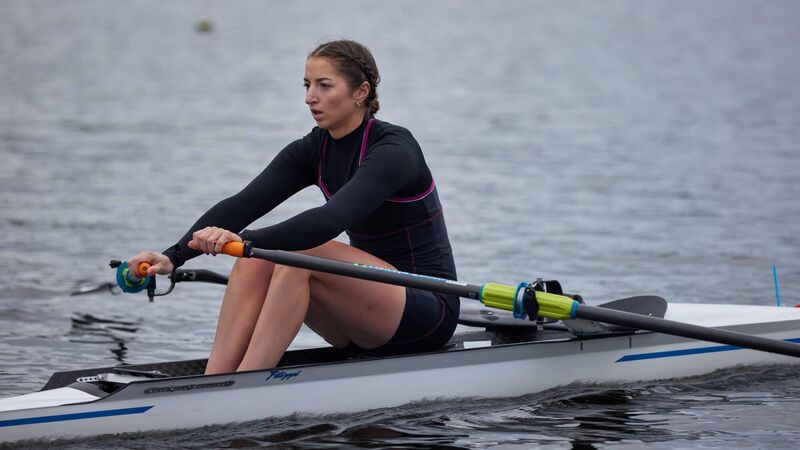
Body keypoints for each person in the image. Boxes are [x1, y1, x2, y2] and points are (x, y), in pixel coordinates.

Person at [127, 40, 459, 374]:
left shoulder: (394, 150)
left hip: (427, 309)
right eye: (307, 85)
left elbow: (329, 220)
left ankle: (245, 385)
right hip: (362, 311)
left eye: (324, 85)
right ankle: (216, 378)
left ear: (361, 92)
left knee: (292, 257)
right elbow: (243, 204)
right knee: (256, 260)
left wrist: (243, 242)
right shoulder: (313, 149)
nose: (309, 97)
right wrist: (173, 256)